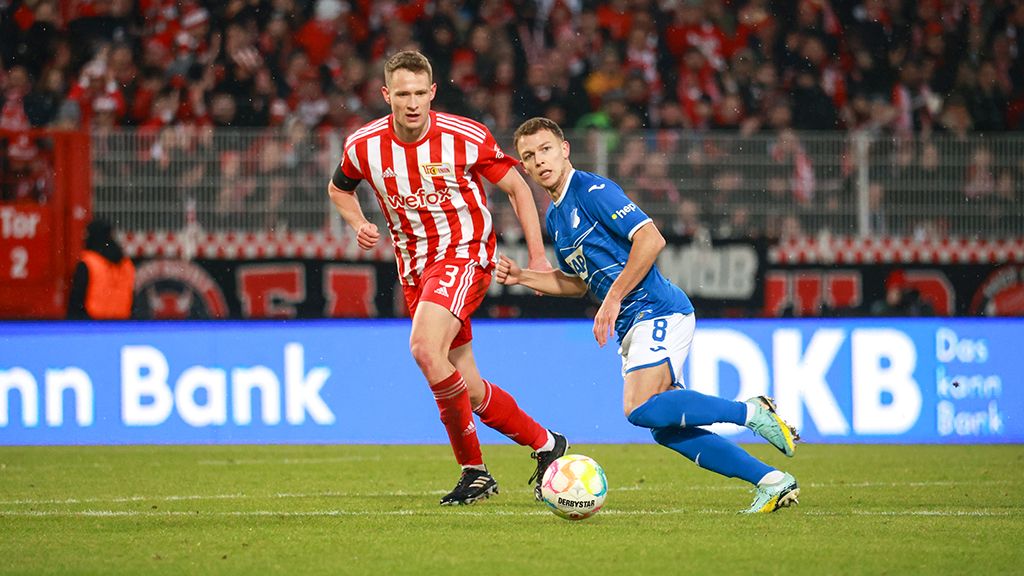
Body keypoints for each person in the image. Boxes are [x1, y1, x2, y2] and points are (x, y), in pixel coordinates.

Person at [498, 117, 801, 514]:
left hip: (657, 309)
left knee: (638, 408)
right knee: (665, 428)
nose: (539, 161)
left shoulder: (592, 190)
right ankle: (772, 481)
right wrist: (523, 276)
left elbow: (651, 238)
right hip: (632, 323)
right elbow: (578, 282)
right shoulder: (556, 217)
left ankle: (752, 411)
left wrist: (612, 299)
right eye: (529, 156)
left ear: (565, 149)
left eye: (546, 149)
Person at [326, 51, 567, 506]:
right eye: (403, 94)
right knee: (468, 386)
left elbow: (516, 186)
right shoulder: (364, 145)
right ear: (386, 95)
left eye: (420, 93)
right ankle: (547, 444)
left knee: (423, 349)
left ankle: (474, 471)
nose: (413, 103)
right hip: (415, 268)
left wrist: (537, 254)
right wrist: (357, 222)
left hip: (464, 254)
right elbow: (339, 188)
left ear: (433, 92)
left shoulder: (464, 136)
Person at [67, 219, 135, 320]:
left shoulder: (88, 263)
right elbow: (133, 299)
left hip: (92, 326)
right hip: (122, 326)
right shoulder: (127, 264)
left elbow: (76, 301)